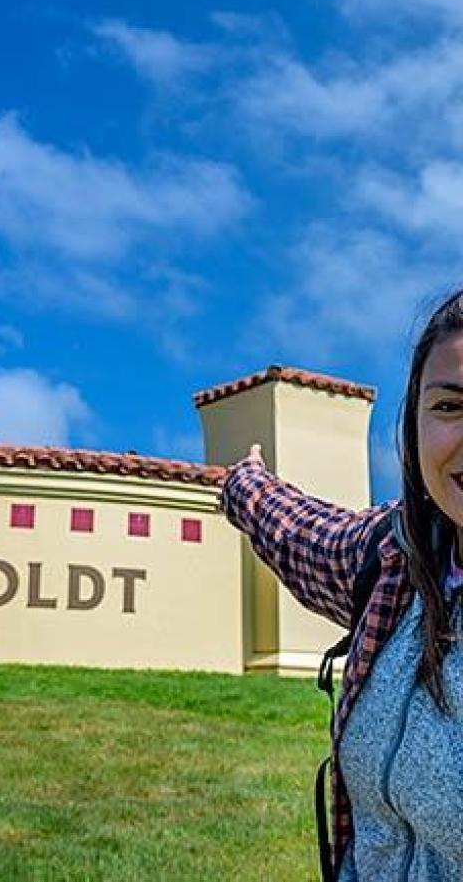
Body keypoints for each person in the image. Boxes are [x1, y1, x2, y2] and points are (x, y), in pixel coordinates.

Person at [218, 288, 463, 881]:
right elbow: (304, 536)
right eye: (451, 406)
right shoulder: (397, 557)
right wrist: (243, 485)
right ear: (414, 422)